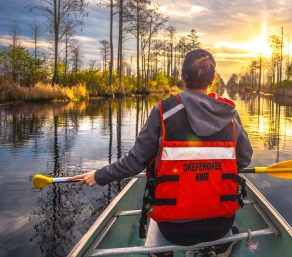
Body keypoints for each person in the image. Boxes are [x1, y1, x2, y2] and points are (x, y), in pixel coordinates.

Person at [68, 49, 253, 253]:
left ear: (183, 77)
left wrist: (99, 175)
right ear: (213, 78)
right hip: (220, 225)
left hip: (174, 229)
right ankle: (221, 245)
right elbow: (243, 159)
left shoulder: (164, 111)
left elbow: (134, 162)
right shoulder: (230, 114)